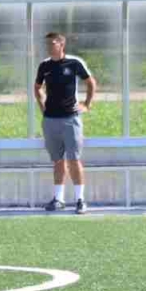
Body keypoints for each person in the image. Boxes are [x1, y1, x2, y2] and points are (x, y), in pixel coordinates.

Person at [36, 31, 97, 213]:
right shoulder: (44, 66)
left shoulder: (74, 63)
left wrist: (87, 104)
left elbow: (91, 82)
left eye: (52, 43)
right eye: (47, 43)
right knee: (57, 160)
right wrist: (43, 107)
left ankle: (80, 200)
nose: (48, 46)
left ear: (61, 44)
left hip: (71, 119)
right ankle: (59, 199)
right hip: (50, 120)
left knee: (73, 159)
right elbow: (37, 88)